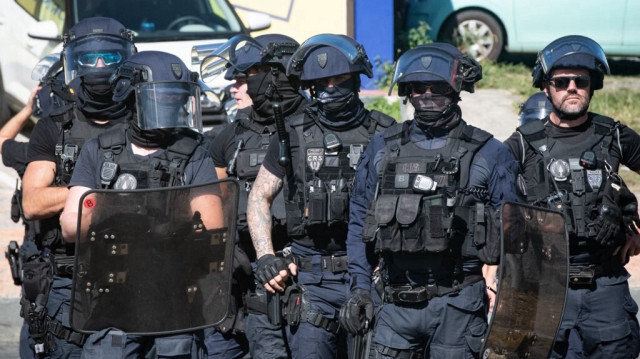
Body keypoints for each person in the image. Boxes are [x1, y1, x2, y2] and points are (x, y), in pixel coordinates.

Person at [339, 43, 522, 358]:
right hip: (393, 306)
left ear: (454, 89)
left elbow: (518, 235)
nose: (426, 94)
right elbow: (358, 221)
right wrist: (359, 286)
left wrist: (507, 296)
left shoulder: (490, 153)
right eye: (418, 87)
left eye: (436, 86)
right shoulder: (382, 147)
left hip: (459, 306)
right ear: (407, 91)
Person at [59, 50, 221, 358]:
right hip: (112, 301)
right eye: (163, 97)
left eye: (177, 97)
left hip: (176, 304)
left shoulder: (194, 151)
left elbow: (211, 229)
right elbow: (71, 226)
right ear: (131, 95)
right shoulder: (100, 149)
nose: (172, 104)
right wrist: (120, 217)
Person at [246, 34, 395, 359]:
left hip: (370, 276)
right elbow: (259, 196)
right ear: (310, 86)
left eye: (339, 78)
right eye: (322, 81)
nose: (331, 86)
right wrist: (266, 256)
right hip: (312, 281)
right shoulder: (292, 133)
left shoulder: (384, 133)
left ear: (356, 79)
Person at [503, 35, 640, 359]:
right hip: (544, 288)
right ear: (547, 87)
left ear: (593, 85)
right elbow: (492, 199)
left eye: (581, 80)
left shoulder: (615, 135)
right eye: (561, 81)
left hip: (605, 284)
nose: (572, 87)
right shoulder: (523, 142)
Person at [20, 17, 135, 357]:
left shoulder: (145, 121)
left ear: (125, 60)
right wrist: (96, 193)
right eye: (89, 59)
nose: (100, 67)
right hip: (67, 275)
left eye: (110, 58)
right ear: (74, 63)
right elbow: (33, 203)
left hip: (132, 272)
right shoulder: (55, 125)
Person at [203, 33, 308, 359]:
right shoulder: (227, 137)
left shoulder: (310, 127)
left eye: (242, 78)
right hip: (249, 273)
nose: (233, 87)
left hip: (305, 271)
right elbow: (214, 208)